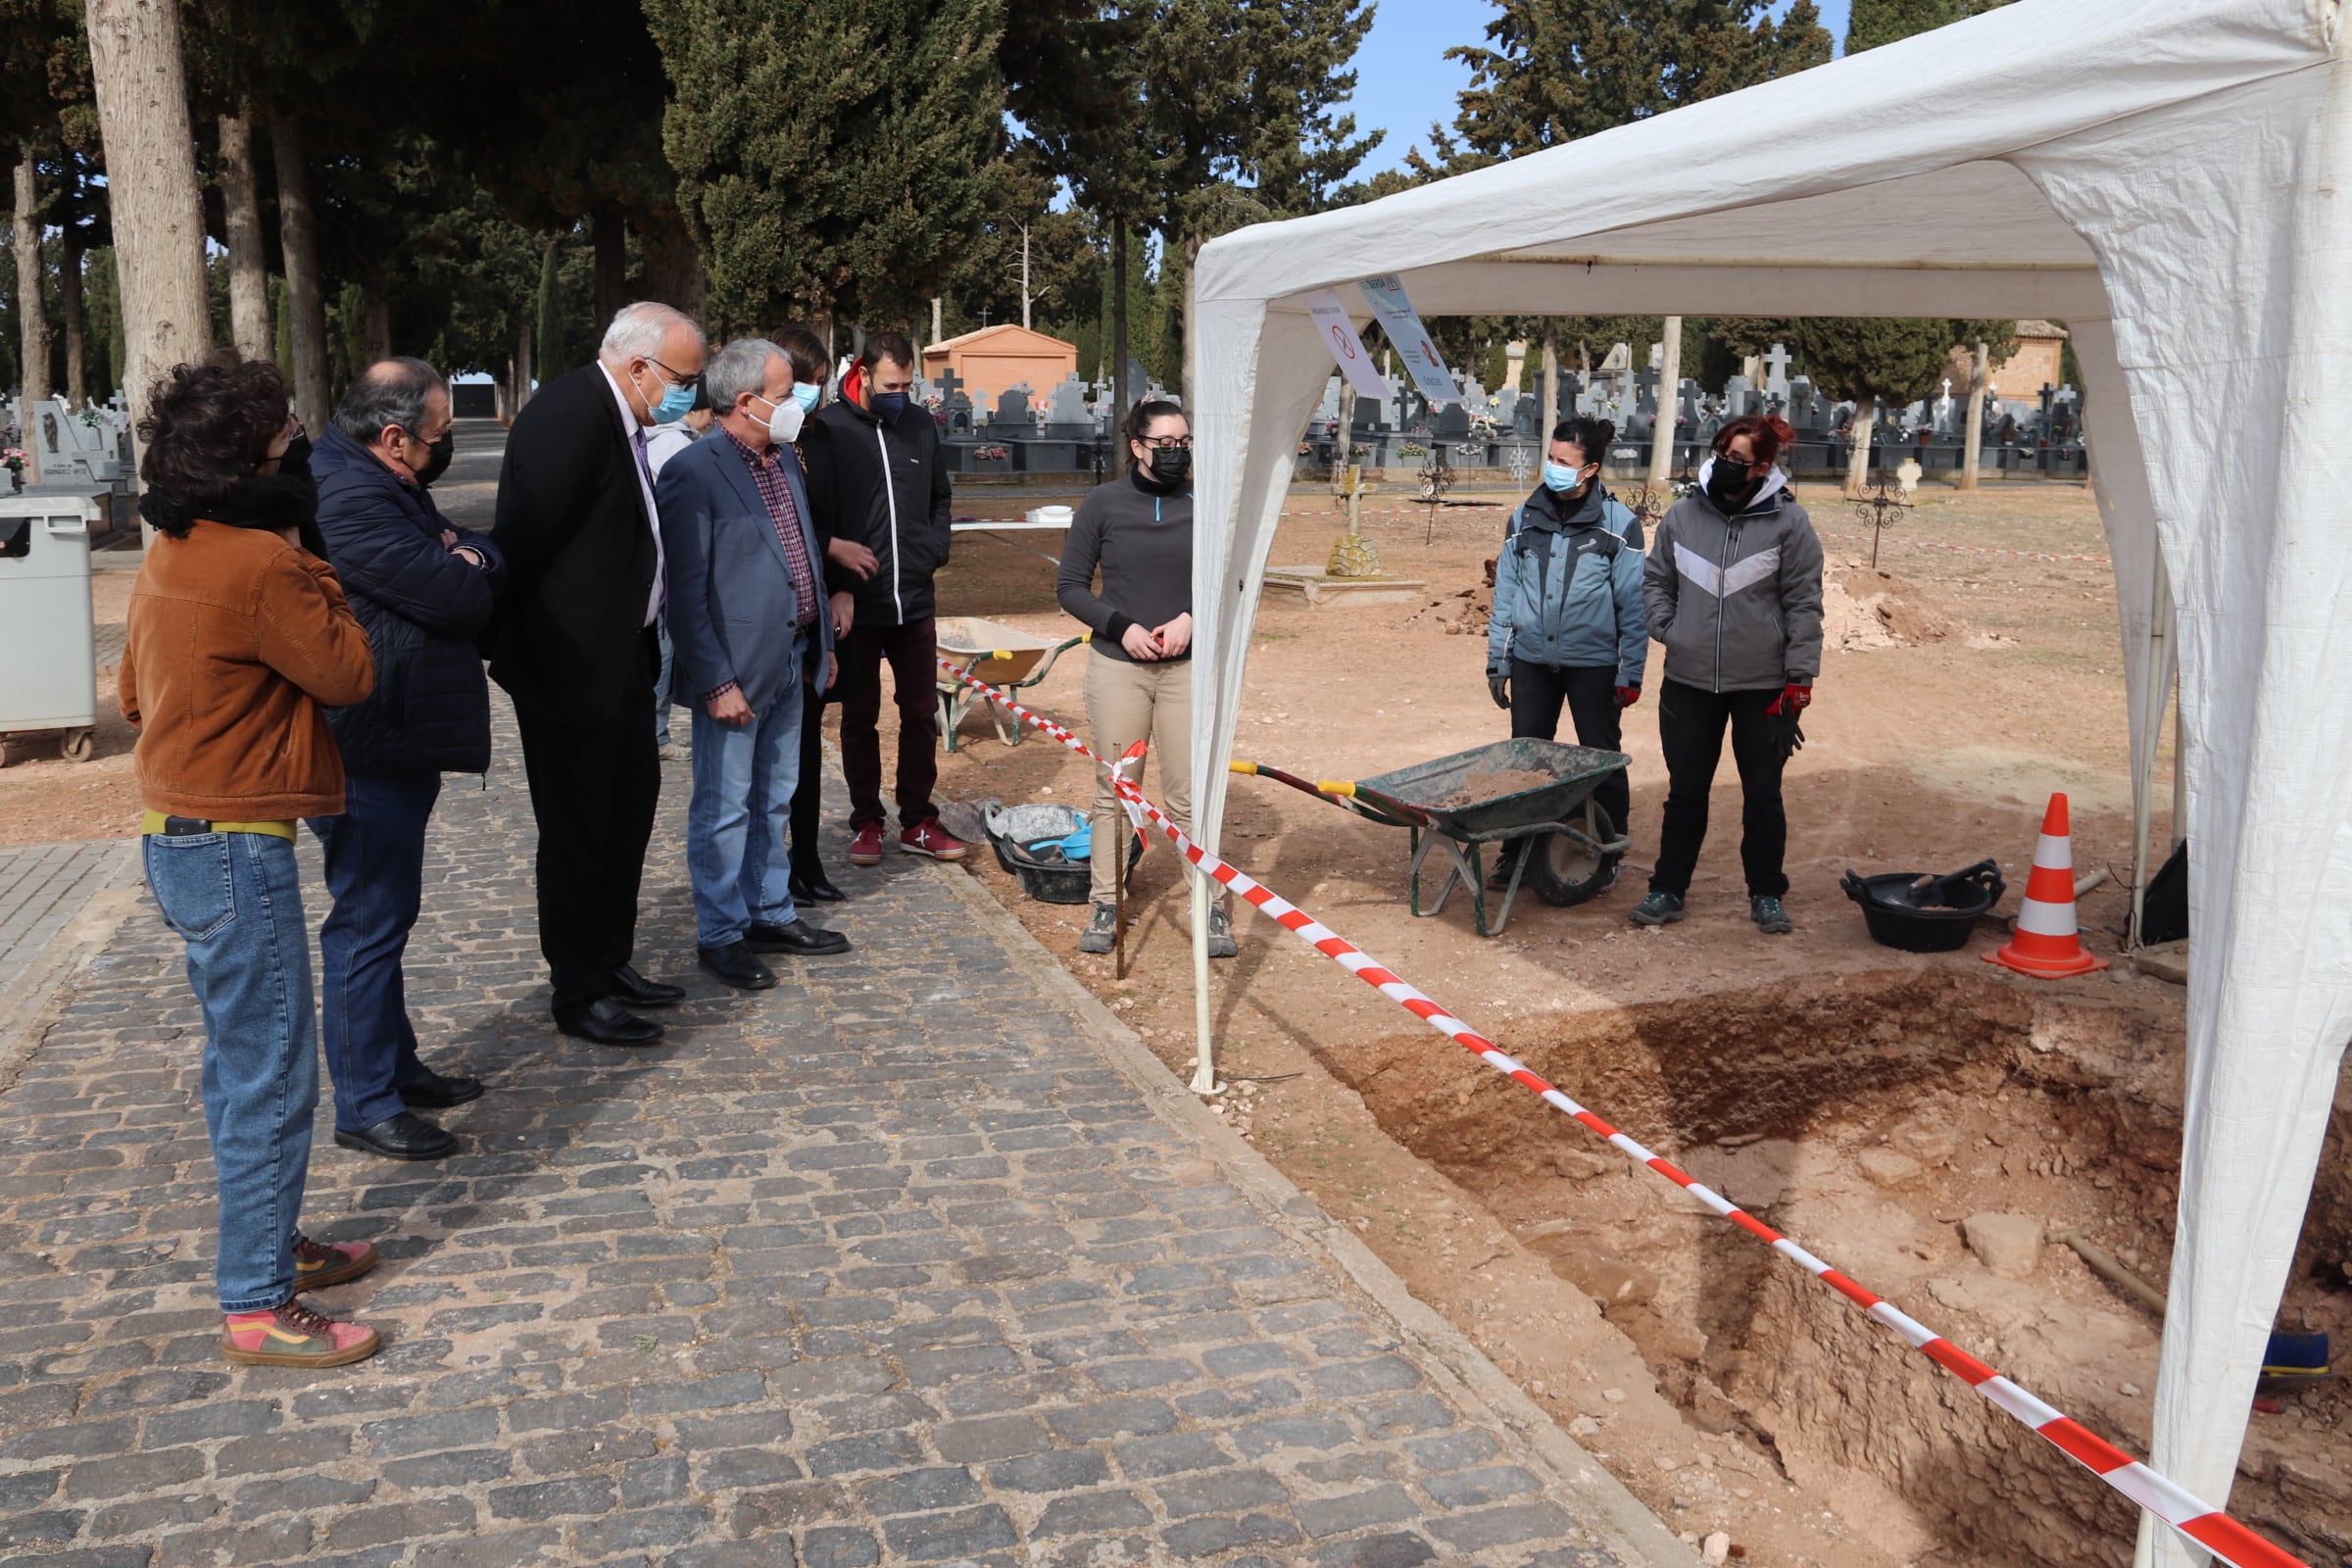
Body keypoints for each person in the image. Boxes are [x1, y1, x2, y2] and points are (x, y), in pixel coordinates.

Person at [119, 353, 383, 1367]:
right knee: (272, 1075)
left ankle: (275, 1245)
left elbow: (136, 696)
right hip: (236, 844)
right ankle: (258, 1300)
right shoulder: (258, 557)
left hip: (178, 833)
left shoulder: (172, 547)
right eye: (283, 433)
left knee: (243, 1067)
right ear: (254, 454)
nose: (296, 444)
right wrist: (306, 547)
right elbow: (348, 670)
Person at [488, 301, 706, 1046]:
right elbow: (523, 543)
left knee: (625, 821)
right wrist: (529, 654)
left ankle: (610, 962)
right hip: (570, 668)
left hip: (623, 659)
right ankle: (578, 992)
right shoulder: (571, 414)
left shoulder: (625, 420)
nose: (689, 395)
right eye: (684, 377)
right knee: (579, 832)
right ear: (639, 366)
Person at [307, 358, 501, 1161]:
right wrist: (465, 563)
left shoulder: (379, 476)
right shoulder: (350, 493)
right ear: (393, 438)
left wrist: (472, 554)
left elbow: (475, 554)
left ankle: (394, 1064)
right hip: (368, 740)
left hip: (394, 732)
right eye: (438, 434)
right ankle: (366, 1103)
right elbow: (452, 594)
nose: (442, 446)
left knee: (390, 912)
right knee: (368, 919)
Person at [656, 338, 849, 992]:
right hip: (733, 674)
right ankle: (720, 932)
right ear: (745, 402)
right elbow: (686, 590)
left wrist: (821, 637)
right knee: (725, 806)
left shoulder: (785, 460)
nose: (798, 402)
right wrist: (714, 680)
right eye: (786, 391)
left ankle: (769, 909)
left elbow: (803, 555)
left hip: (792, 657)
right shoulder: (693, 472)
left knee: (775, 798)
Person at [1055, 401, 1235, 959]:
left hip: (1185, 671)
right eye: (1166, 443)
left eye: (1184, 441)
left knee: (1189, 797)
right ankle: (1106, 903)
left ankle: (1210, 905)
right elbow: (1070, 587)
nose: (1177, 452)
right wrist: (1121, 626)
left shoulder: (1206, 503)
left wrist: (1191, 619)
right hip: (1118, 670)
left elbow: (1230, 582)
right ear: (1137, 446)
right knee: (1115, 793)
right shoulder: (1103, 504)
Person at [1633, 413, 1824, 935]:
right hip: (1689, 680)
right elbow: (1656, 580)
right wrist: (1671, 630)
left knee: (1763, 793)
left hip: (1762, 686)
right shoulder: (1682, 515)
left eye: (1738, 460)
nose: (1725, 466)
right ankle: (1667, 889)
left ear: (1762, 468)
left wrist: (1799, 677)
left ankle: (1766, 893)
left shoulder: (1790, 523)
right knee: (1686, 791)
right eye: (1722, 454)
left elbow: (1804, 602)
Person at [802, 329, 968, 867]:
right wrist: (837, 586)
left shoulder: (919, 424)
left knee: (920, 712)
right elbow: (818, 516)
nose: (900, 393)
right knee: (860, 714)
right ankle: (866, 820)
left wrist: (934, 550)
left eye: (907, 383)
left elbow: (940, 497)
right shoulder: (830, 428)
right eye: (890, 384)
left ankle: (917, 819)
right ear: (863, 374)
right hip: (858, 602)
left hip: (915, 598)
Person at [1484, 416, 1646, 891]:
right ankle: (1516, 853)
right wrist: (1499, 659)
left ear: (1590, 468)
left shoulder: (1619, 525)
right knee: (1523, 760)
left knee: (1601, 759)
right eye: (1550, 458)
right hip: (1534, 660)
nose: (1552, 468)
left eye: (1563, 462)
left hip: (1594, 665)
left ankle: (1607, 853)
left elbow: (1632, 606)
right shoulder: (1524, 517)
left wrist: (1630, 672)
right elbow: (1506, 595)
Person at [772, 323, 859, 906]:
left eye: (820, 384)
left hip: (818, 613)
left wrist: (844, 588)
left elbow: (839, 511)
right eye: (805, 382)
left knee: (806, 742)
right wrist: (828, 546)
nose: (813, 394)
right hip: (770, 617)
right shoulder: (762, 444)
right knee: (768, 757)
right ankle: (769, 869)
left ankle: (806, 857)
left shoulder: (822, 437)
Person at [648, 394, 711, 763]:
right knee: (665, 653)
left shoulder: (662, 438)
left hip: (663, 565)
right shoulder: (676, 446)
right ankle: (656, 733)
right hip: (672, 567)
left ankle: (655, 730)